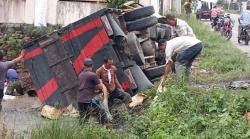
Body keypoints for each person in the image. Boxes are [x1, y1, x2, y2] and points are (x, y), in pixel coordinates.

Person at [77, 58, 106, 123]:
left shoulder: (80, 75)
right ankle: (104, 128)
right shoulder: (93, 75)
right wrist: (100, 82)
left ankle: (81, 131)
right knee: (102, 113)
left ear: (84, 66)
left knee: (83, 118)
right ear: (92, 65)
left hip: (80, 100)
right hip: (88, 100)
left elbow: (86, 86)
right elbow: (100, 87)